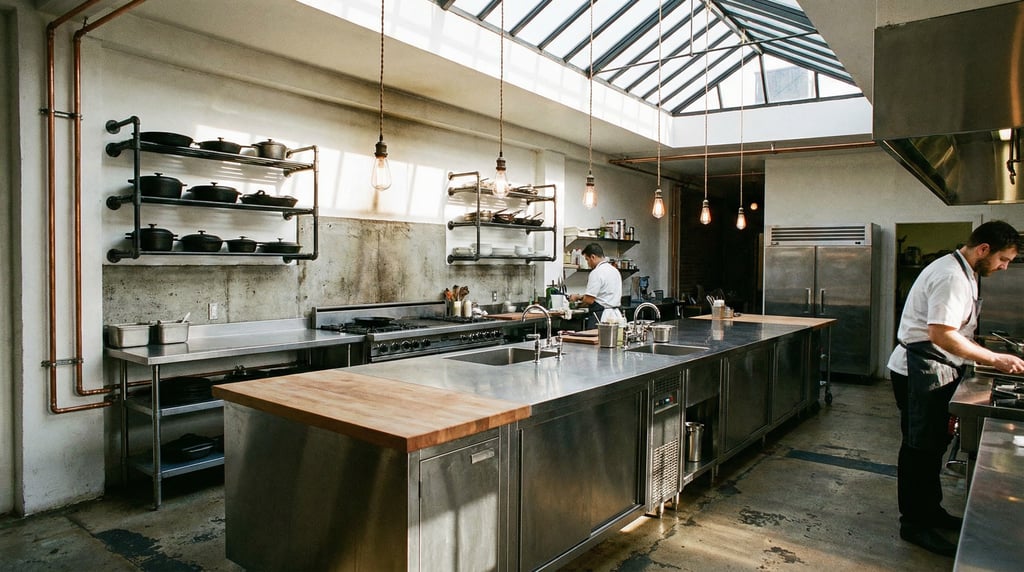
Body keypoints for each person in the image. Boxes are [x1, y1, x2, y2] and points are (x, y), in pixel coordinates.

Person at [887, 220, 1024, 557]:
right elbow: (941, 334)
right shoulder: (951, 276)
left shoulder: (966, 273)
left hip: (935, 368)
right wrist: (994, 358)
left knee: (931, 446)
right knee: (919, 448)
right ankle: (914, 524)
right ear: (983, 250)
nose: (1004, 267)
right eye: (1003, 260)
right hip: (920, 370)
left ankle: (930, 511)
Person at [568, 243, 622, 329]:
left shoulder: (596, 272)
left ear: (593, 257)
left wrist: (578, 297)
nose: (588, 263)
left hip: (601, 317)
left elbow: (589, 300)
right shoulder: (615, 271)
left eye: (587, 259)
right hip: (615, 316)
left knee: (597, 341)